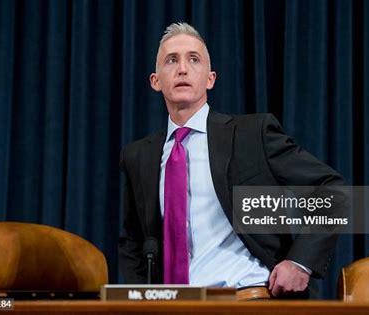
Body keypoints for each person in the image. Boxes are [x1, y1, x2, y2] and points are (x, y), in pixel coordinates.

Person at [118, 22, 343, 299]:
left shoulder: (252, 135)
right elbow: (133, 242)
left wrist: (300, 262)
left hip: (249, 297)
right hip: (175, 304)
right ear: (155, 81)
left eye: (194, 59)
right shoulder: (138, 156)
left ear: (210, 79)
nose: (183, 69)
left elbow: (331, 190)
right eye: (171, 60)